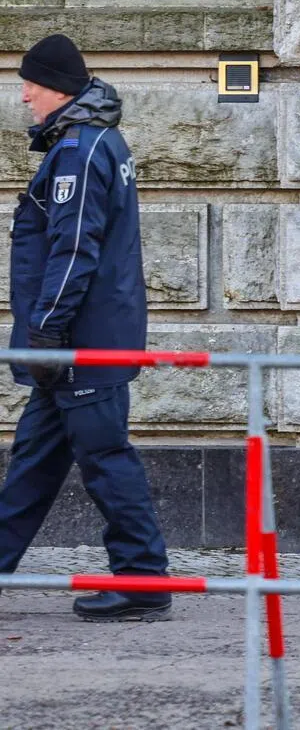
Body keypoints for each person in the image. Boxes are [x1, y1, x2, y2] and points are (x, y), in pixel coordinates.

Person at [0, 34, 170, 621]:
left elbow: (73, 248)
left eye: (31, 85)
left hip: (81, 342)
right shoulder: (98, 140)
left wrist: (47, 329)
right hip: (84, 338)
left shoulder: (79, 149)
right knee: (33, 462)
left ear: (58, 88)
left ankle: (143, 581)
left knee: (105, 459)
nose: (25, 96)